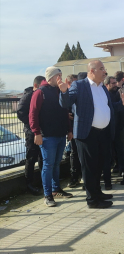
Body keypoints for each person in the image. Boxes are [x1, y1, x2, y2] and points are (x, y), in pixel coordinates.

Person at [59, 60, 124, 209]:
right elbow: (66, 103)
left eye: (104, 68)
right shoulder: (80, 85)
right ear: (92, 71)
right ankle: (92, 200)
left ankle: (98, 193)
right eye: (101, 69)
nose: (105, 71)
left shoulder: (102, 87)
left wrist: (120, 105)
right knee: (89, 168)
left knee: (99, 166)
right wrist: (64, 92)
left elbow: (106, 108)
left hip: (103, 133)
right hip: (87, 134)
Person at [30, 67, 73, 206]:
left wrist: (69, 130)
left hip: (60, 134)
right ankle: (47, 194)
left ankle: (56, 189)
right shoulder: (40, 92)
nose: (60, 78)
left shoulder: (60, 91)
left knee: (56, 163)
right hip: (47, 135)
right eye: (58, 76)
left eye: (61, 75)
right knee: (48, 165)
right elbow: (33, 114)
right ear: (51, 77)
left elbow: (65, 111)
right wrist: (36, 132)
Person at [17, 76, 45, 195]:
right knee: (31, 158)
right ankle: (29, 184)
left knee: (42, 157)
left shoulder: (40, 95)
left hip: (41, 131)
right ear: (36, 85)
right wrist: (32, 125)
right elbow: (21, 113)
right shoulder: (28, 95)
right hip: (31, 132)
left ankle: (42, 182)